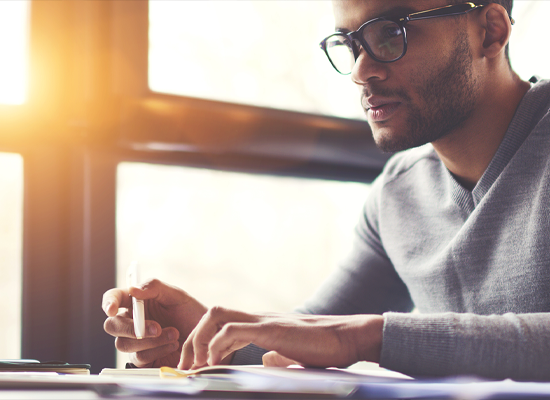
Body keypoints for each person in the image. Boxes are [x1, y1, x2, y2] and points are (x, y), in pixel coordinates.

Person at [103, 0, 550, 381]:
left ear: (490, 32)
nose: (360, 71)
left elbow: (343, 334)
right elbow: (312, 333)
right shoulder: (398, 196)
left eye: (390, 35)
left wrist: (364, 338)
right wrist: (206, 333)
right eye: (350, 44)